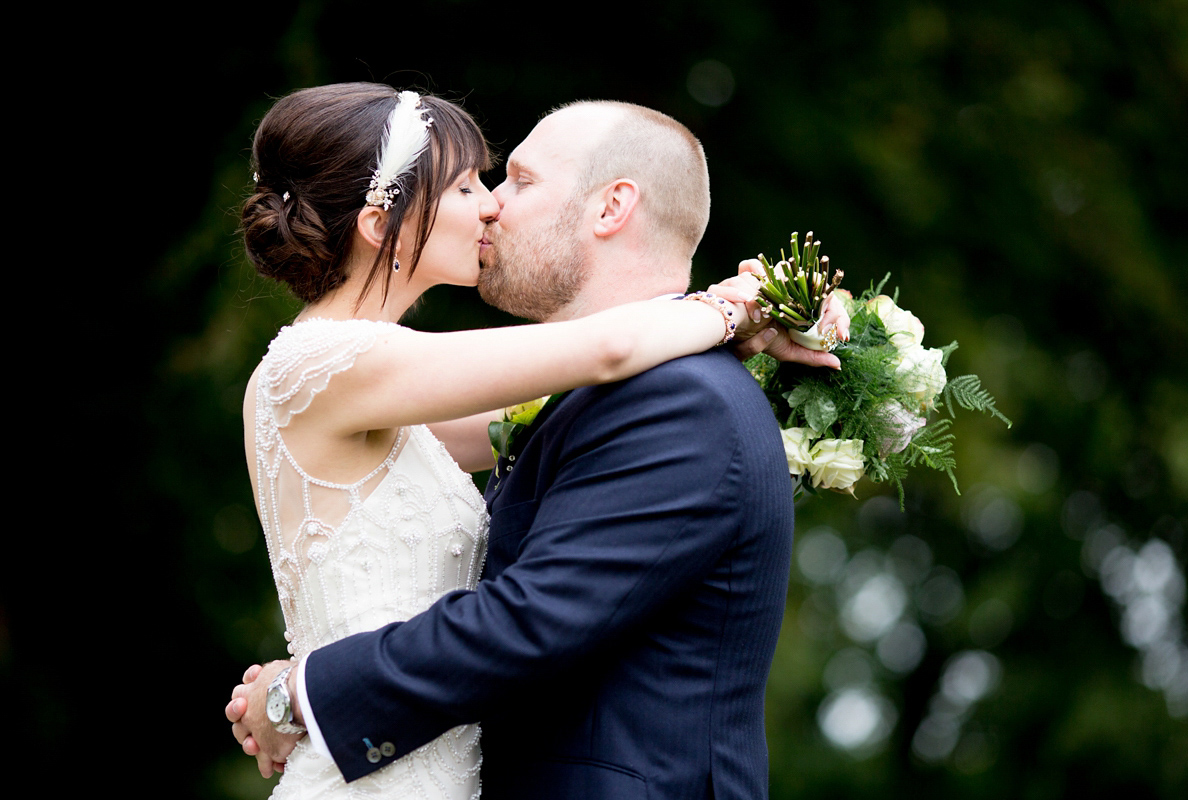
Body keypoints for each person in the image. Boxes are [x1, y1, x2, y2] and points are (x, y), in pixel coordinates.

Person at [228, 85, 848, 799]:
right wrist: (732, 307)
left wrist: (300, 694)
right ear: (382, 221)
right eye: (470, 185)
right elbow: (606, 352)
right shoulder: (334, 368)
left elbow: (595, 369)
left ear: (613, 207)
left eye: (514, 180)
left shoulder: (676, 398)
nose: (492, 203)